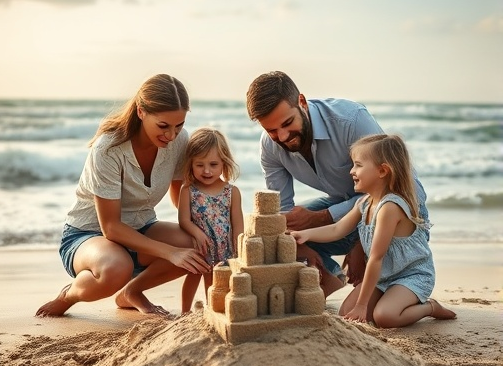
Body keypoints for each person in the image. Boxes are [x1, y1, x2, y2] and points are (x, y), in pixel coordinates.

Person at [36, 74, 210, 318]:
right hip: (88, 235)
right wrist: (170, 252)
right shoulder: (108, 148)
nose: (171, 135)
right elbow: (111, 228)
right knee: (117, 268)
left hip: (142, 227)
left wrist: (212, 222)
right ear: (141, 111)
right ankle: (69, 295)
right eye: (163, 126)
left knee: (200, 246)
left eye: (178, 125)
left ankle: (131, 292)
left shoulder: (180, 141)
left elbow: (178, 199)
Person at [246, 71, 429, 297]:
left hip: (393, 212)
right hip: (348, 211)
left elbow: (405, 188)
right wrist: (299, 246)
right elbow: (282, 211)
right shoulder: (269, 147)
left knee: (383, 310)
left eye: (287, 123)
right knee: (272, 236)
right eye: (271, 130)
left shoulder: (350, 120)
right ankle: (331, 277)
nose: (282, 137)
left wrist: (362, 241)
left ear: (302, 102)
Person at [290, 134, 456, 328]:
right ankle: (389, 297)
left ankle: (430, 307)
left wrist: (362, 305)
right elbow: (337, 229)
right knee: (345, 313)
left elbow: (376, 258)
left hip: (411, 275)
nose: (352, 171)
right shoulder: (364, 203)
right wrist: (306, 234)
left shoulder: (389, 208)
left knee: (385, 317)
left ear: (382, 170)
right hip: (385, 276)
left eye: (358, 165)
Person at [178, 128, 244, 314]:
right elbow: (183, 220)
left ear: (224, 163)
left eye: (213, 164)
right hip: (200, 246)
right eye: (199, 165)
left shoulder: (231, 192)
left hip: (225, 248)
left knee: (217, 280)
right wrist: (197, 233)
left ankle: (213, 310)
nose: (206, 171)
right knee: (194, 276)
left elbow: (238, 223)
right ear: (190, 164)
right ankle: (184, 312)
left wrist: (239, 251)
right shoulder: (188, 190)